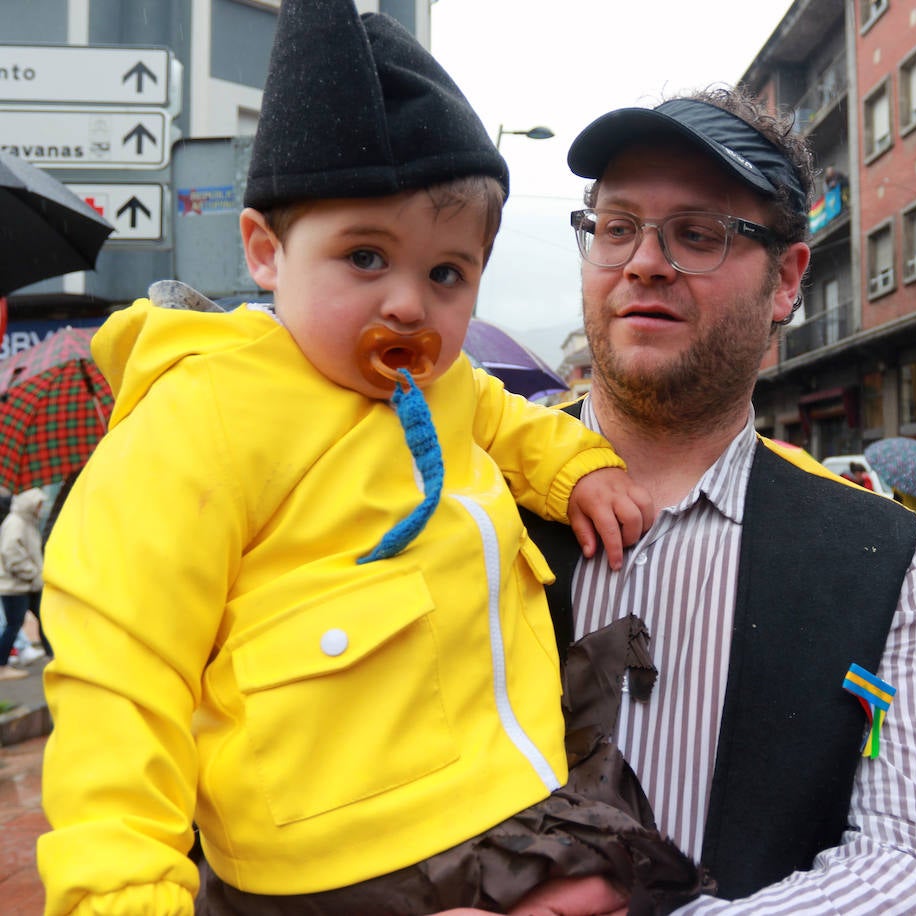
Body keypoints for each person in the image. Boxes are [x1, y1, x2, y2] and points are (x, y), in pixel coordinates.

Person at [36, 3, 676, 914]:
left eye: (447, 273)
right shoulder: (202, 415)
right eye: (364, 256)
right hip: (328, 869)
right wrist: (123, 892)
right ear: (265, 250)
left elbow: (513, 422)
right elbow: (119, 670)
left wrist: (579, 467)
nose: (410, 304)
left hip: (507, 807)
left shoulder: (448, 387)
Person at [518, 89, 916, 912]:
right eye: (616, 226)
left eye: (698, 234)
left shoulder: (884, 558)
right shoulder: (461, 497)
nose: (643, 261)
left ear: (786, 279)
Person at [0, 488, 48, 682]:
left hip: (27, 585)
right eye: (38, 504)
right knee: (13, 625)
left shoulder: (27, 522)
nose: (41, 508)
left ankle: (54, 656)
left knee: (44, 618)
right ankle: (1, 665)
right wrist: (33, 573)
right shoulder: (16, 523)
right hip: (16, 586)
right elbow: (11, 554)